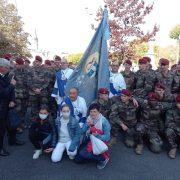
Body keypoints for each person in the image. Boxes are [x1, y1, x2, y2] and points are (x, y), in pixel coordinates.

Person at [75, 103, 111, 170]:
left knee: (83, 154)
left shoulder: (104, 121)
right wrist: (87, 125)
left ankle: (103, 159)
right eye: (91, 111)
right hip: (90, 139)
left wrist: (97, 135)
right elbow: (83, 131)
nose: (92, 114)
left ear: (98, 111)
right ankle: (90, 155)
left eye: (95, 111)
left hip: (100, 141)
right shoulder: (89, 118)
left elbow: (107, 137)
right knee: (77, 159)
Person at [0, 58, 16, 156]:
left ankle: (12, 140)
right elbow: (2, 93)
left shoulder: (5, 75)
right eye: (7, 67)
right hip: (1, 108)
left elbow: (10, 92)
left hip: (7, 105)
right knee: (1, 128)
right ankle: (0, 148)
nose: (8, 69)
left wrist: (12, 100)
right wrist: (11, 85)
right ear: (1, 67)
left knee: (11, 124)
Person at [27, 55, 50, 122]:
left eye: (37, 61)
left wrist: (40, 89)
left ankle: (43, 123)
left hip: (42, 93)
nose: (36, 62)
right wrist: (34, 89)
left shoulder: (45, 70)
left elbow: (47, 82)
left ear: (40, 62)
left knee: (43, 108)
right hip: (33, 93)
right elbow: (28, 81)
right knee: (34, 109)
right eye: (35, 61)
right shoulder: (30, 70)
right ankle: (34, 124)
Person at [165, 94, 180, 159]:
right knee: (169, 131)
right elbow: (168, 124)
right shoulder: (171, 110)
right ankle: (173, 147)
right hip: (175, 128)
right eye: (179, 103)